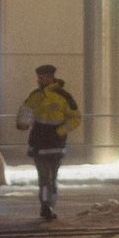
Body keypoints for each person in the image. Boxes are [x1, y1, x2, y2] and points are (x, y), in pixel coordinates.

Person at [18, 65, 81, 221]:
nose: (41, 80)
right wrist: (22, 123)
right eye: (40, 78)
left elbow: (76, 118)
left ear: (52, 77)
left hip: (55, 144)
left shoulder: (64, 96)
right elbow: (25, 111)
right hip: (39, 142)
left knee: (51, 177)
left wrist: (60, 131)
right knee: (44, 177)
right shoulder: (35, 96)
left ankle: (49, 204)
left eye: (44, 77)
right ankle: (45, 205)